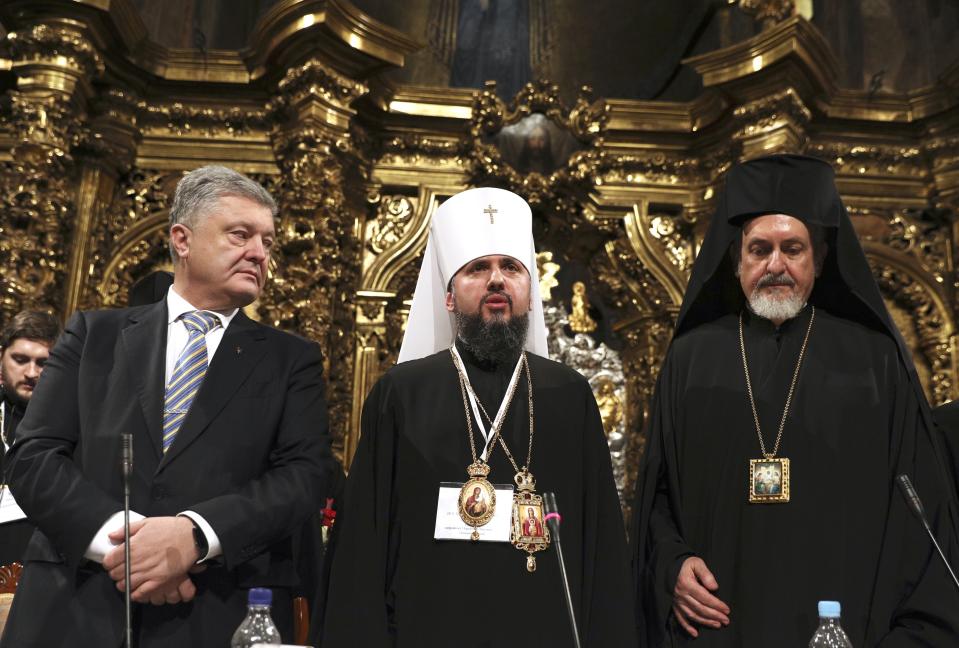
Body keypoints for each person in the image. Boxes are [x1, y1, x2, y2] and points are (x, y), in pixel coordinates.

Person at [631, 154, 959, 647]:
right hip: (717, 624)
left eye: (793, 249)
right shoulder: (690, 358)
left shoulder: (874, 361)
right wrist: (672, 564)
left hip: (842, 623)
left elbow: (919, 510)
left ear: (820, 259)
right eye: (759, 249)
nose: (775, 265)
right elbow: (656, 497)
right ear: (737, 258)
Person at [1, 165, 332, 647]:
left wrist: (193, 538)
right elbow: (33, 457)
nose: (259, 253)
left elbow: (304, 474)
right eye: (240, 234)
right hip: (76, 605)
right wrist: (134, 548)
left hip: (216, 612)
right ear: (182, 239)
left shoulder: (291, 359)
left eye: (268, 241)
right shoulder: (93, 335)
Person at [322, 187, 636, 647]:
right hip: (427, 628)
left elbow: (602, 546)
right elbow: (362, 552)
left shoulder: (568, 394)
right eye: (477, 269)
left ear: (529, 293)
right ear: (448, 297)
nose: (496, 280)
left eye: (511, 268)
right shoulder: (401, 394)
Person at [0, 310, 60, 566]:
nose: (31, 372)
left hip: (35, 556)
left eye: (43, 362)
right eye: (21, 359)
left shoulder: (70, 423)